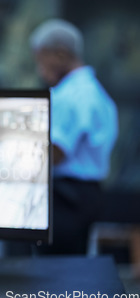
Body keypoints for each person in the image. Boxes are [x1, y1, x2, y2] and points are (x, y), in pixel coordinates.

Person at [30, 19, 118, 254]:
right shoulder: (97, 93)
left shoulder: (70, 96)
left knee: (55, 275)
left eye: (41, 59)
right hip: (86, 195)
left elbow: (55, 152)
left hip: (66, 199)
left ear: (60, 54)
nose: (40, 69)